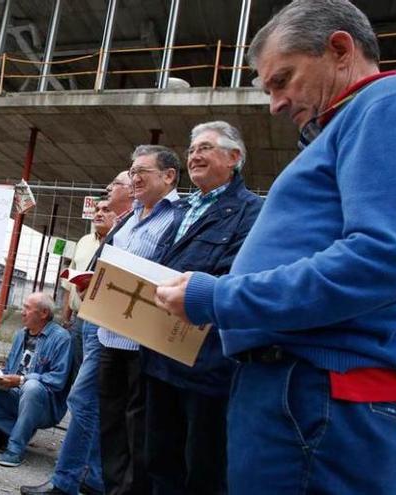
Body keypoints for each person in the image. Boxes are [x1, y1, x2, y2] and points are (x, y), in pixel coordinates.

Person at [155, 1, 396, 493]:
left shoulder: (385, 103)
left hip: (319, 390)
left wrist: (220, 298)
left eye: (283, 80)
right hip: (300, 389)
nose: (275, 104)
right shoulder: (347, 126)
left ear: (339, 49)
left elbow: (382, 256)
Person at [141, 121, 262, 494]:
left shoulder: (252, 212)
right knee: (159, 461)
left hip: (206, 364)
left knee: (203, 470)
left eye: (206, 148)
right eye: (192, 149)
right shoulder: (180, 210)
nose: (194, 155)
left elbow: (238, 279)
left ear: (234, 158)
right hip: (160, 356)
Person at [98, 145, 180, 495]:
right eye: (131, 173)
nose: (133, 179)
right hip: (108, 336)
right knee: (111, 424)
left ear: (168, 176)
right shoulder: (128, 218)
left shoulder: (179, 218)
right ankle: (114, 488)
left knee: (139, 428)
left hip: (142, 343)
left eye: (141, 172)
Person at [0, 292, 71, 468]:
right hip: (15, 396)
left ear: (44, 313)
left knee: (32, 387)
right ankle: (21, 432)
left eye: (27, 308)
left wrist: (22, 380)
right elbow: (9, 370)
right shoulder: (20, 335)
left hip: (44, 406)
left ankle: (15, 449)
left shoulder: (61, 338)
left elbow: (57, 380)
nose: (22, 312)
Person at [60, 199, 115, 376]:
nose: (99, 213)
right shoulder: (83, 241)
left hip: (104, 321)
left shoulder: (121, 243)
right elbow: (69, 286)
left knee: (96, 375)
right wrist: (66, 320)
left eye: (106, 210)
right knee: (76, 370)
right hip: (79, 318)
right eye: (97, 209)